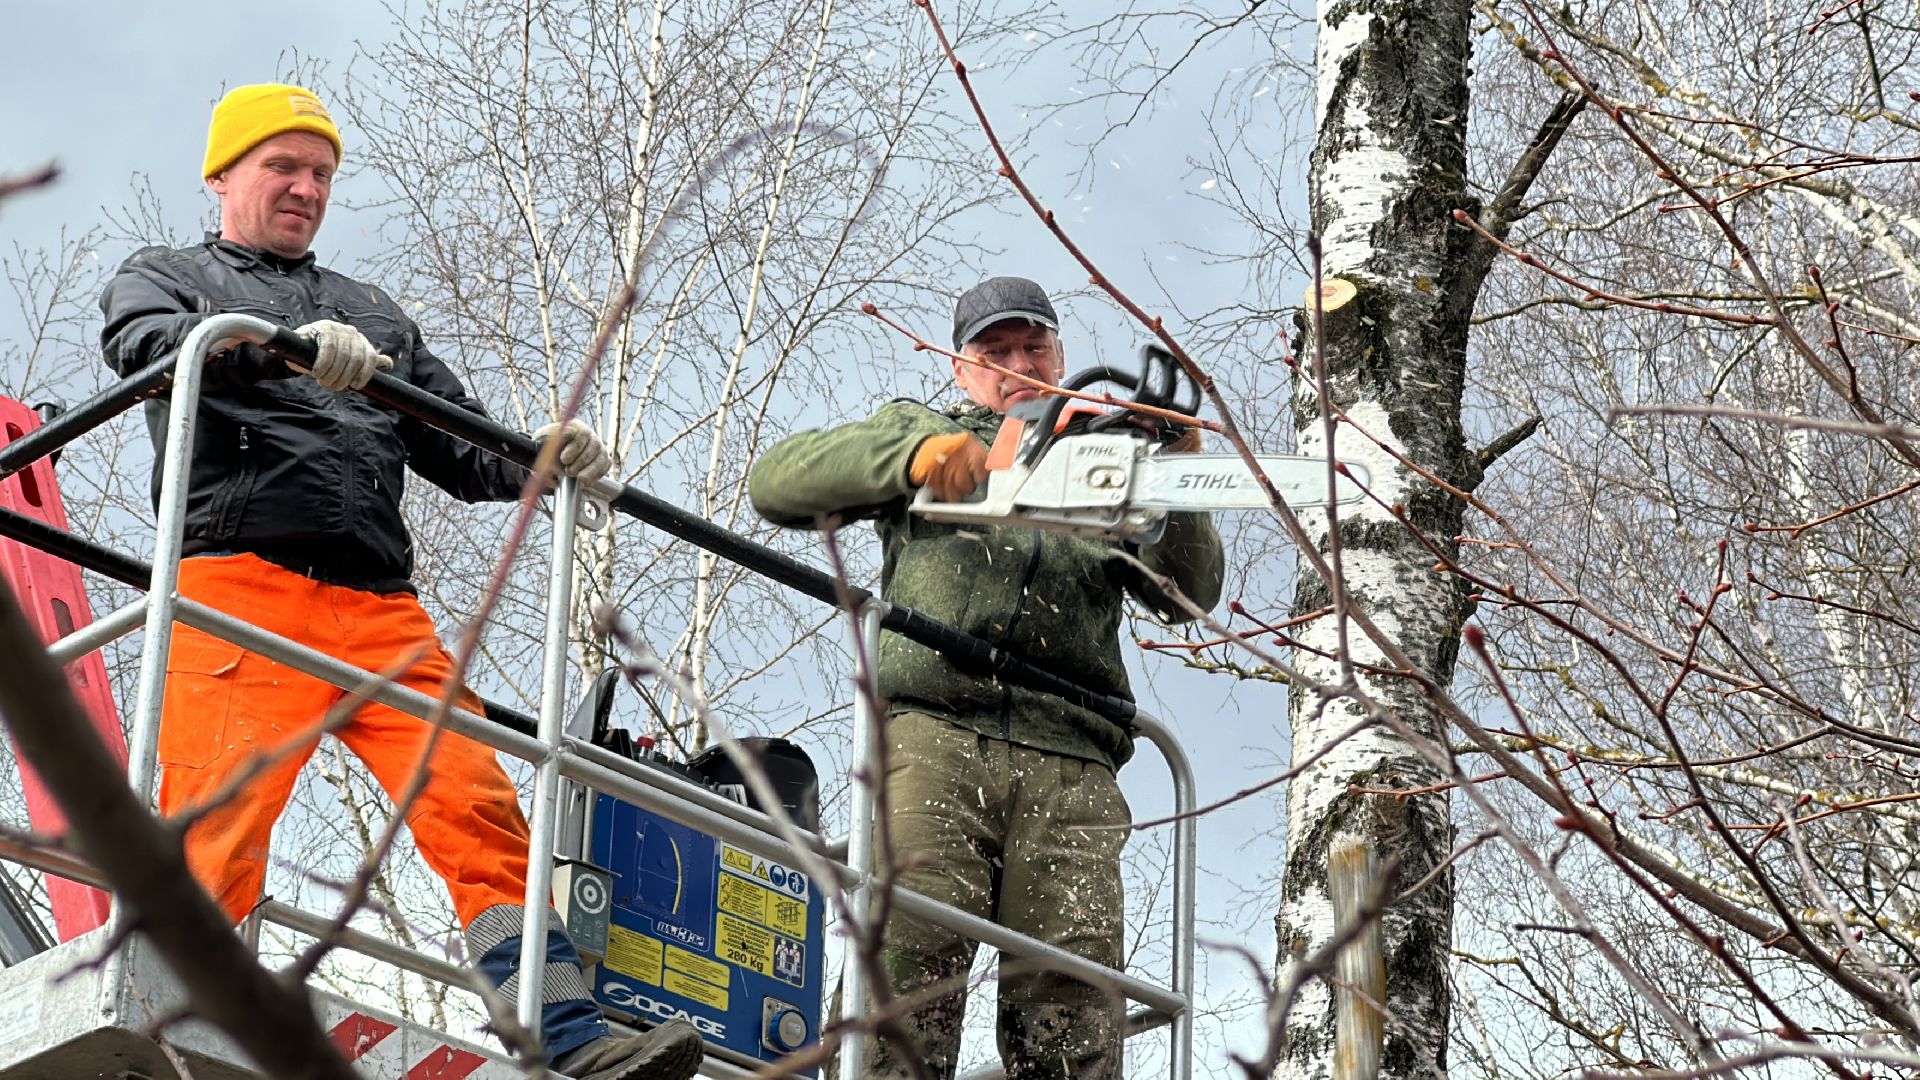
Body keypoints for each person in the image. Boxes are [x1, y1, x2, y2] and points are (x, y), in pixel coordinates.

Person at [97, 83, 701, 1080]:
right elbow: (147, 350)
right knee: (219, 816)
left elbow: (458, 446)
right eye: (282, 167)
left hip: (381, 615)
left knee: (477, 804)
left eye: (321, 174)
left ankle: (562, 1035)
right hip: (240, 587)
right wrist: (276, 351)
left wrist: (538, 458)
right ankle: (181, 1021)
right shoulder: (167, 275)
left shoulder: (373, 313)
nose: (305, 188)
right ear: (223, 175)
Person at [748, 277, 1225, 1078]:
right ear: (962, 369)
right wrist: (914, 460)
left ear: (1060, 356)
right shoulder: (928, 432)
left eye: (1034, 347)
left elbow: (1192, 592)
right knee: (905, 970)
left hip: (1074, 758)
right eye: (995, 351)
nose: (1019, 365)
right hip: (936, 733)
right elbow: (778, 482)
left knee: (1073, 1000)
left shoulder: (1104, 462)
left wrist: (1174, 466)